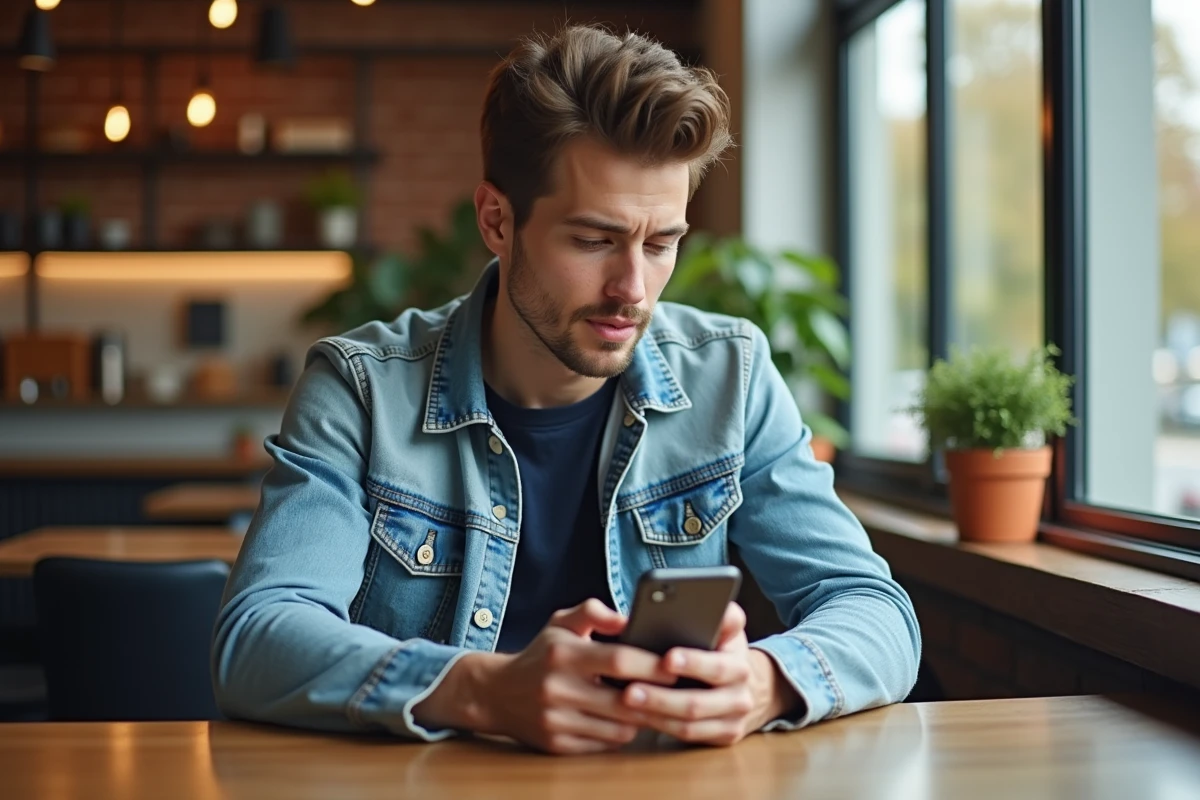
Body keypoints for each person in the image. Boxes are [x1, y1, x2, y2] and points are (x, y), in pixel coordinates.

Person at [212, 23, 920, 755]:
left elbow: (875, 611)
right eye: (593, 240)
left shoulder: (729, 377)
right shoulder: (362, 389)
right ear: (497, 220)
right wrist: (486, 690)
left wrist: (766, 680)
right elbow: (257, 639)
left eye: (661, 243)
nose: (633, 290)